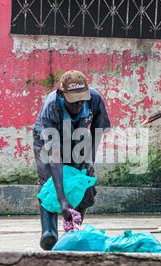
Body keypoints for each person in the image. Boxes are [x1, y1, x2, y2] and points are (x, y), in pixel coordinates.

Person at [33, 70, 111, 250]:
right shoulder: (51, 107)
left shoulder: (95, 99)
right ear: (62, 94)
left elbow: (97, 131)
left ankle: (73, 227)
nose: (79, 104)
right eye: (74, 100)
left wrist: (89, 160)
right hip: (47, 139)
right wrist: (61, 198)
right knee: (50, 182)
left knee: (82, 179)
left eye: (82, 99)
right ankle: (49, 232)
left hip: (79, 136)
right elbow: (54, 156)